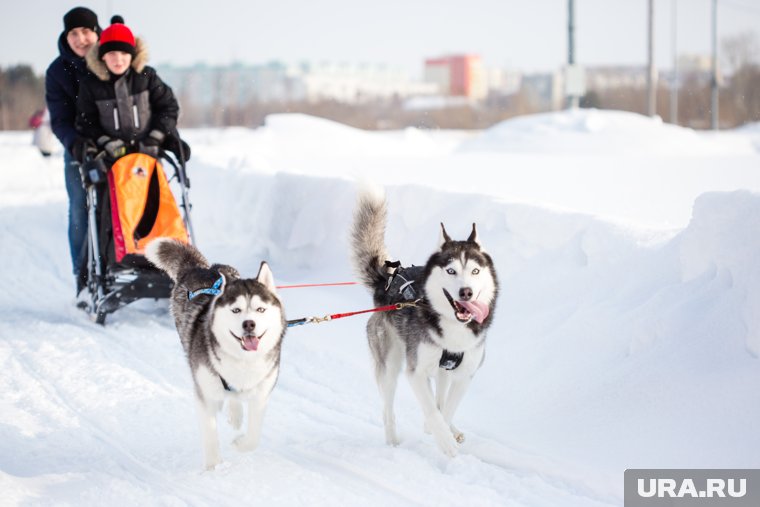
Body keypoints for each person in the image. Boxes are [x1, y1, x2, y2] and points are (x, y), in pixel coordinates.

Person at [74, 16, 184, 166]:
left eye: (124, 53)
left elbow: (169, 107)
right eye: (112, 54)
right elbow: (86, 121)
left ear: (132, 55)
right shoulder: (91, 85)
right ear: (103, 56)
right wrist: (106, 141)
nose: (118, 60)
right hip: (111, 162)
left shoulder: (146, 77)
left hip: (148, 157)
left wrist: (155, 137)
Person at [45, 6, 101, 294]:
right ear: (66, 37)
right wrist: (77, 144)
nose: (81, 39)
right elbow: (59, 119)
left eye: (86, 31)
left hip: (118, 147)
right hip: (78, 148)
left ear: (97, 32)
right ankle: (82, 277)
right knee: (80, 208)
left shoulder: (112, 57)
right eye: (74, 33)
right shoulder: (58, 72)